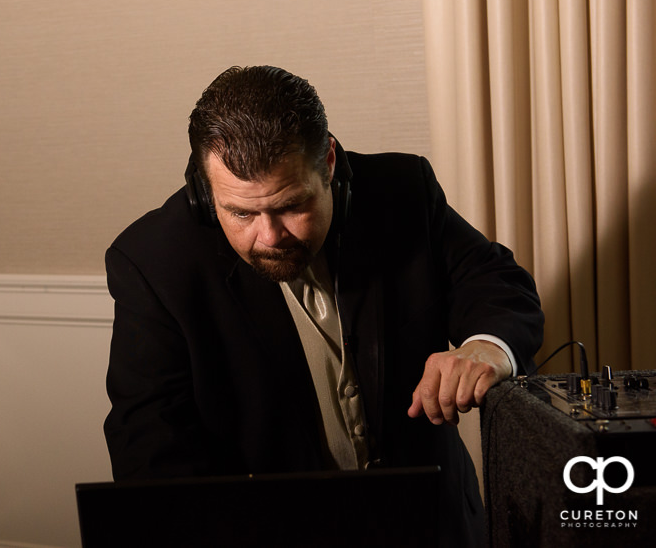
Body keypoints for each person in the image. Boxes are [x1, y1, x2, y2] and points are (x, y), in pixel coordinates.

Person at [103, 65, 544, 546]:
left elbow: (497, 282)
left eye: (292, 205)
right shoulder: (151, 263)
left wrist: (486, 346)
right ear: (205, 194)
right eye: (241, 213)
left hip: (435, 523)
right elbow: (150, 449)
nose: (268, 237)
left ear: (329, 163)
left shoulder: (404, 190)